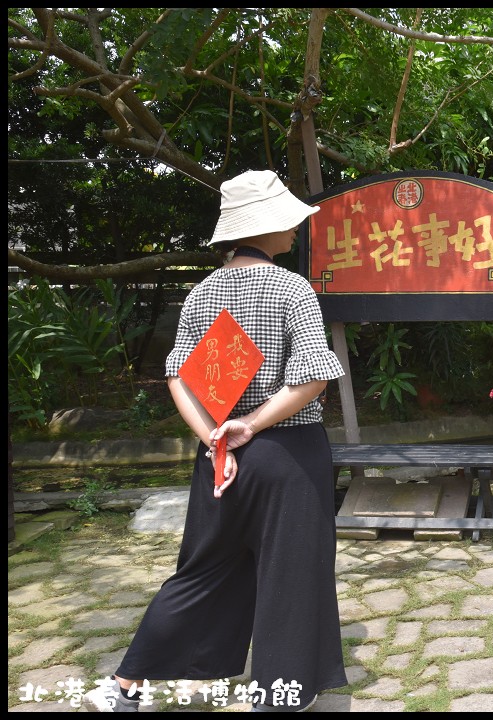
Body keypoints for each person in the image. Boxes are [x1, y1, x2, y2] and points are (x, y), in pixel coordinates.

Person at [84, 170, 347, 712]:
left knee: (202, 569)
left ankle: (125, 685)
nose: (296, 228)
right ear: (267, 227)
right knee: (291, 571)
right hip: (289, 453)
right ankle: (278, 697)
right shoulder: (292, 287)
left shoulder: (202, 292)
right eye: (287, 220)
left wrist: (215, 438)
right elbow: (314, 375)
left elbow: (177, 375)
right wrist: (253, 424)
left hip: (219, 458)